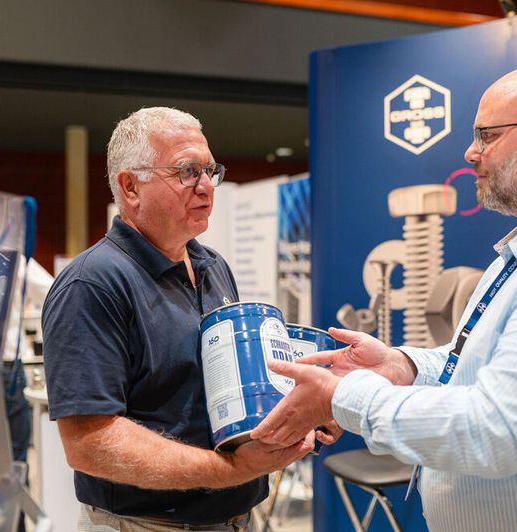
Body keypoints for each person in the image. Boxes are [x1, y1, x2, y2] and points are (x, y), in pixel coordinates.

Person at [251, 63, 517, 531]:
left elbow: (494, 430)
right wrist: (403, 367)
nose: (471, 152)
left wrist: (341, 396)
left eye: (488, 135)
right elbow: (481, 368)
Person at [42, 107, 317, 532]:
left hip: (236, 518)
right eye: (187, 172)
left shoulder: (211, 265)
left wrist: (295, 418)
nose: (207, 186)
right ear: (130, 186)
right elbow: (89, 444)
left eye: (210, 170)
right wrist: (229, 471)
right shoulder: (91, 284)